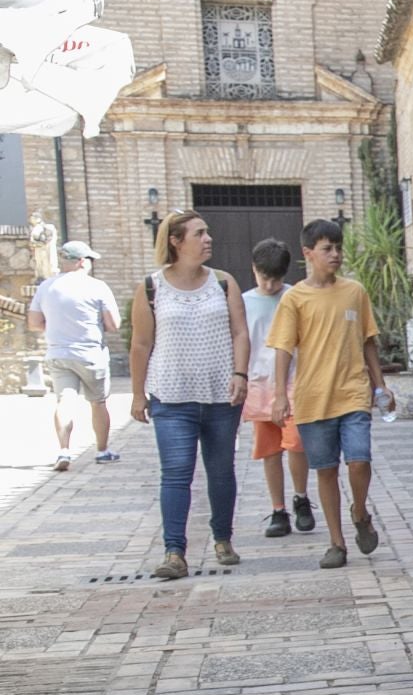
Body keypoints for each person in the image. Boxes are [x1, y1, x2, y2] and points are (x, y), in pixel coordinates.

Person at [128, 210, 250, 580]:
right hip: (171, 396)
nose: (208, 238)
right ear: (176, 242)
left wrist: (240, 374)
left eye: (208, 232)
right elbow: (141, 343)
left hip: (220, 395)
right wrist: (137, 395)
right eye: (200, 233)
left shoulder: (224, 283)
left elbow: (240, 333)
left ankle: (223, 539)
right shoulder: (152, 287)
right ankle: (174, 552)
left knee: (221, 472)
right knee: (177, 474)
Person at [268, 219, 387, 570]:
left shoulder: (355, 291)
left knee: (359, 460)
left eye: (338, 247)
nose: (335, 254)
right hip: (312, 397)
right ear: (308, 254)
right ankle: (336, 543)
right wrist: (279, 395)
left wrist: (380, 385)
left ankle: (360, 510)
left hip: (353, 392)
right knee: (325, 470)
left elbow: (369, 341)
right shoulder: (294, 299)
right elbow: (283, 349)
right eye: (327, 249)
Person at [28, 240, 121, 470]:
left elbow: (34, 323)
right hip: (90, 353)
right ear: (81, 261)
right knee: (98, 402)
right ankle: (102, 450)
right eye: (89, 260)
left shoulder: (46, 287)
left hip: (58, 352)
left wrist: (57, 327)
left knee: (64, 401)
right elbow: (114, 324)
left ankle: (64, 451)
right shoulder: (97, 287)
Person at [241, 239, 312, 538]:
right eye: (264, 277)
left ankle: (301, 497)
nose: (270, 285)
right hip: (259, 382)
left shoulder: (296, 296)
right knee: (269, 449)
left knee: (296, 443)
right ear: (254, 270)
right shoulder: (243, 301)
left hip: (295, 379)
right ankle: (278, 508)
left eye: (276, 279)